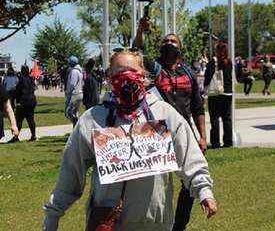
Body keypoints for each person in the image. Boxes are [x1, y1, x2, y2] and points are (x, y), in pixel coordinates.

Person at [42, 49, 217, 231]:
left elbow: (189, 157)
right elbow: (71, 173)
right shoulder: (93, 119)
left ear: (144, 76)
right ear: (109, 77)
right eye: (119, 72)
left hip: (156, 223)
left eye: (132, 71)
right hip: (110, 223)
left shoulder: (164, 114)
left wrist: (204, 190)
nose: (126, 77)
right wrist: (53, 213)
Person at [135, 17, 207, 231]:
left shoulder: (189, 73)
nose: (169, 43)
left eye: (173, 41)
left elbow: (198, 107)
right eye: (165, 41)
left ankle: (179, 225)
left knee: (190, 183)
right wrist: (141, 30)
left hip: (184, 135)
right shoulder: (155, 69)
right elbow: (136, 52)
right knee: (158, 183)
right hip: (158, 136)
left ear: (180, 48)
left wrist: (202, 136)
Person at [204, 42, 233, 149]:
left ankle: (215, 142)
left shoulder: (214, 61)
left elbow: (208, 75)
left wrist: (205, 87)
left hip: (216, 92)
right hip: (228, 92)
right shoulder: (229, 62)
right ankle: (228, 141)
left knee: (215, 118)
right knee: (227, 118)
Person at [8, 65, 37, 143]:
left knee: (18, 120)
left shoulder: (22, 80)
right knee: (30, 119)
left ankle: (16, 137)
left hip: (24, 102)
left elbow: (22, 92)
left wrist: (19, 102)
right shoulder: (31, 79)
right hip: (32, 101)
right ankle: (33, 135)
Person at [65, 56, 83, 127]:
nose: (68, 63)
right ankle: (75, 130)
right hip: (80, 93)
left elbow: (72, 84)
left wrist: (68, 91)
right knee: (75, 112)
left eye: (69, 62)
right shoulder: (79, 71)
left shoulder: (74, 71)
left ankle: (77, 123)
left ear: (72, 63)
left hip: (74, 94)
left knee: (68, 113)